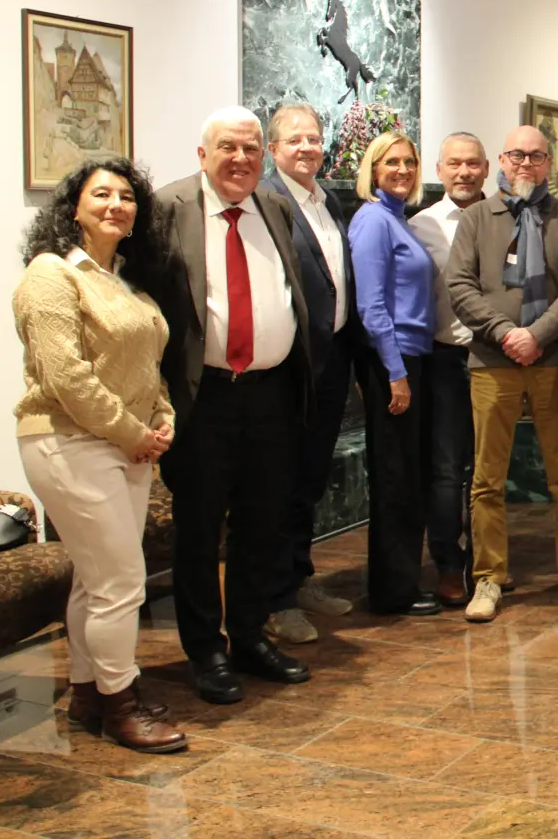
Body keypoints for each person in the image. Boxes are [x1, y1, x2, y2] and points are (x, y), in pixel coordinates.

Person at [13, 158, 187, 752]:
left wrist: (159, 419)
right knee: (120, 582)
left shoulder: (125, 283)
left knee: (95, 581)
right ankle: (123, 704)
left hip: (125, 445)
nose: (116, 205)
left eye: (127, 196)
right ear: (74, 207)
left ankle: (89, 693)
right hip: (68, 440)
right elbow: (68, 378)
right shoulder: (52, 274)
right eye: (101, 194)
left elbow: (147, 368)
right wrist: (130, 432)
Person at [154, 106, 314, 704]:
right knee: (199, 530)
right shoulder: (169, 210)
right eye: (228, 148)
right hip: (206, 399)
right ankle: (205, 651)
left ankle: (249, 636)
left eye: (250, 148)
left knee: (262, 522)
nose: (241, 159)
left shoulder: (273, 208)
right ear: (203, 154)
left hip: (271, 395)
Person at [446, 125, 558, 623]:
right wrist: (506, 331)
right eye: (517, 155)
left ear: (549, 163)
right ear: (502, 161)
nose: (526, 164)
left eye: (536, 156)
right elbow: (460, 284)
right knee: (487, 480)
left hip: (552, 360)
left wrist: (540, 334)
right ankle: (487, 579)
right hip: (492, 362)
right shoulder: (476, 218)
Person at [262, 103, 357, 643]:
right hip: (290, 367)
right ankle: (276, 599)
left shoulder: (328, 201)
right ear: (274, 150)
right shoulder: (268, 203)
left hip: (332, 361)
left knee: (311, 480)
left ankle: (299, 578)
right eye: (294, 140)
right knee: (282, 483)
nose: (306, 148)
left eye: (314, 139)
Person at [349, 131, 441, 618]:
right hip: (395, 360)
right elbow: (371, 305)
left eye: (409, 162)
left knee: (409, 474)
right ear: (372, 170)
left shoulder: (397, 219)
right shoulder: (372, 221)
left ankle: (401, 581)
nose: (402, 170)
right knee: (396, 478)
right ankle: (392, 591)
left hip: (412, 357)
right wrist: (395, 373)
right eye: (391, 163)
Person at [410, 131, 492, 607]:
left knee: (489, 468)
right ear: (439, 172)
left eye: (472, 164)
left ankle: (487, 564)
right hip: (443, 360)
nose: (464, 172)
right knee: (445, 470)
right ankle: (447, 563)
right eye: (454, 164)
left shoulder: (507, 219)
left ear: (486, 168)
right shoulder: (420, 226)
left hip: (494, 358)